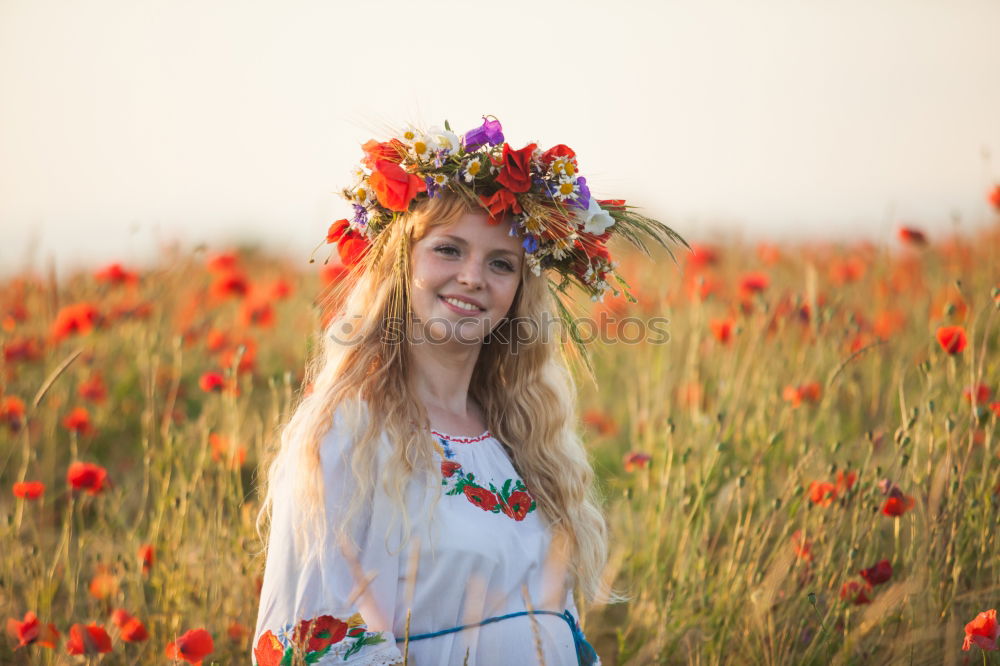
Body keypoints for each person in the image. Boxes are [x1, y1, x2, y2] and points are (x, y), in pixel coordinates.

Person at [252, 118, 682, 665]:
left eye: (500, 263)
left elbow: (560, 626)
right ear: (400, 265)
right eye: (449, 250)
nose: (473, 277)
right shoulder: (349, 432)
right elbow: (304, 643)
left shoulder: (526, 438)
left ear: (519, 293)